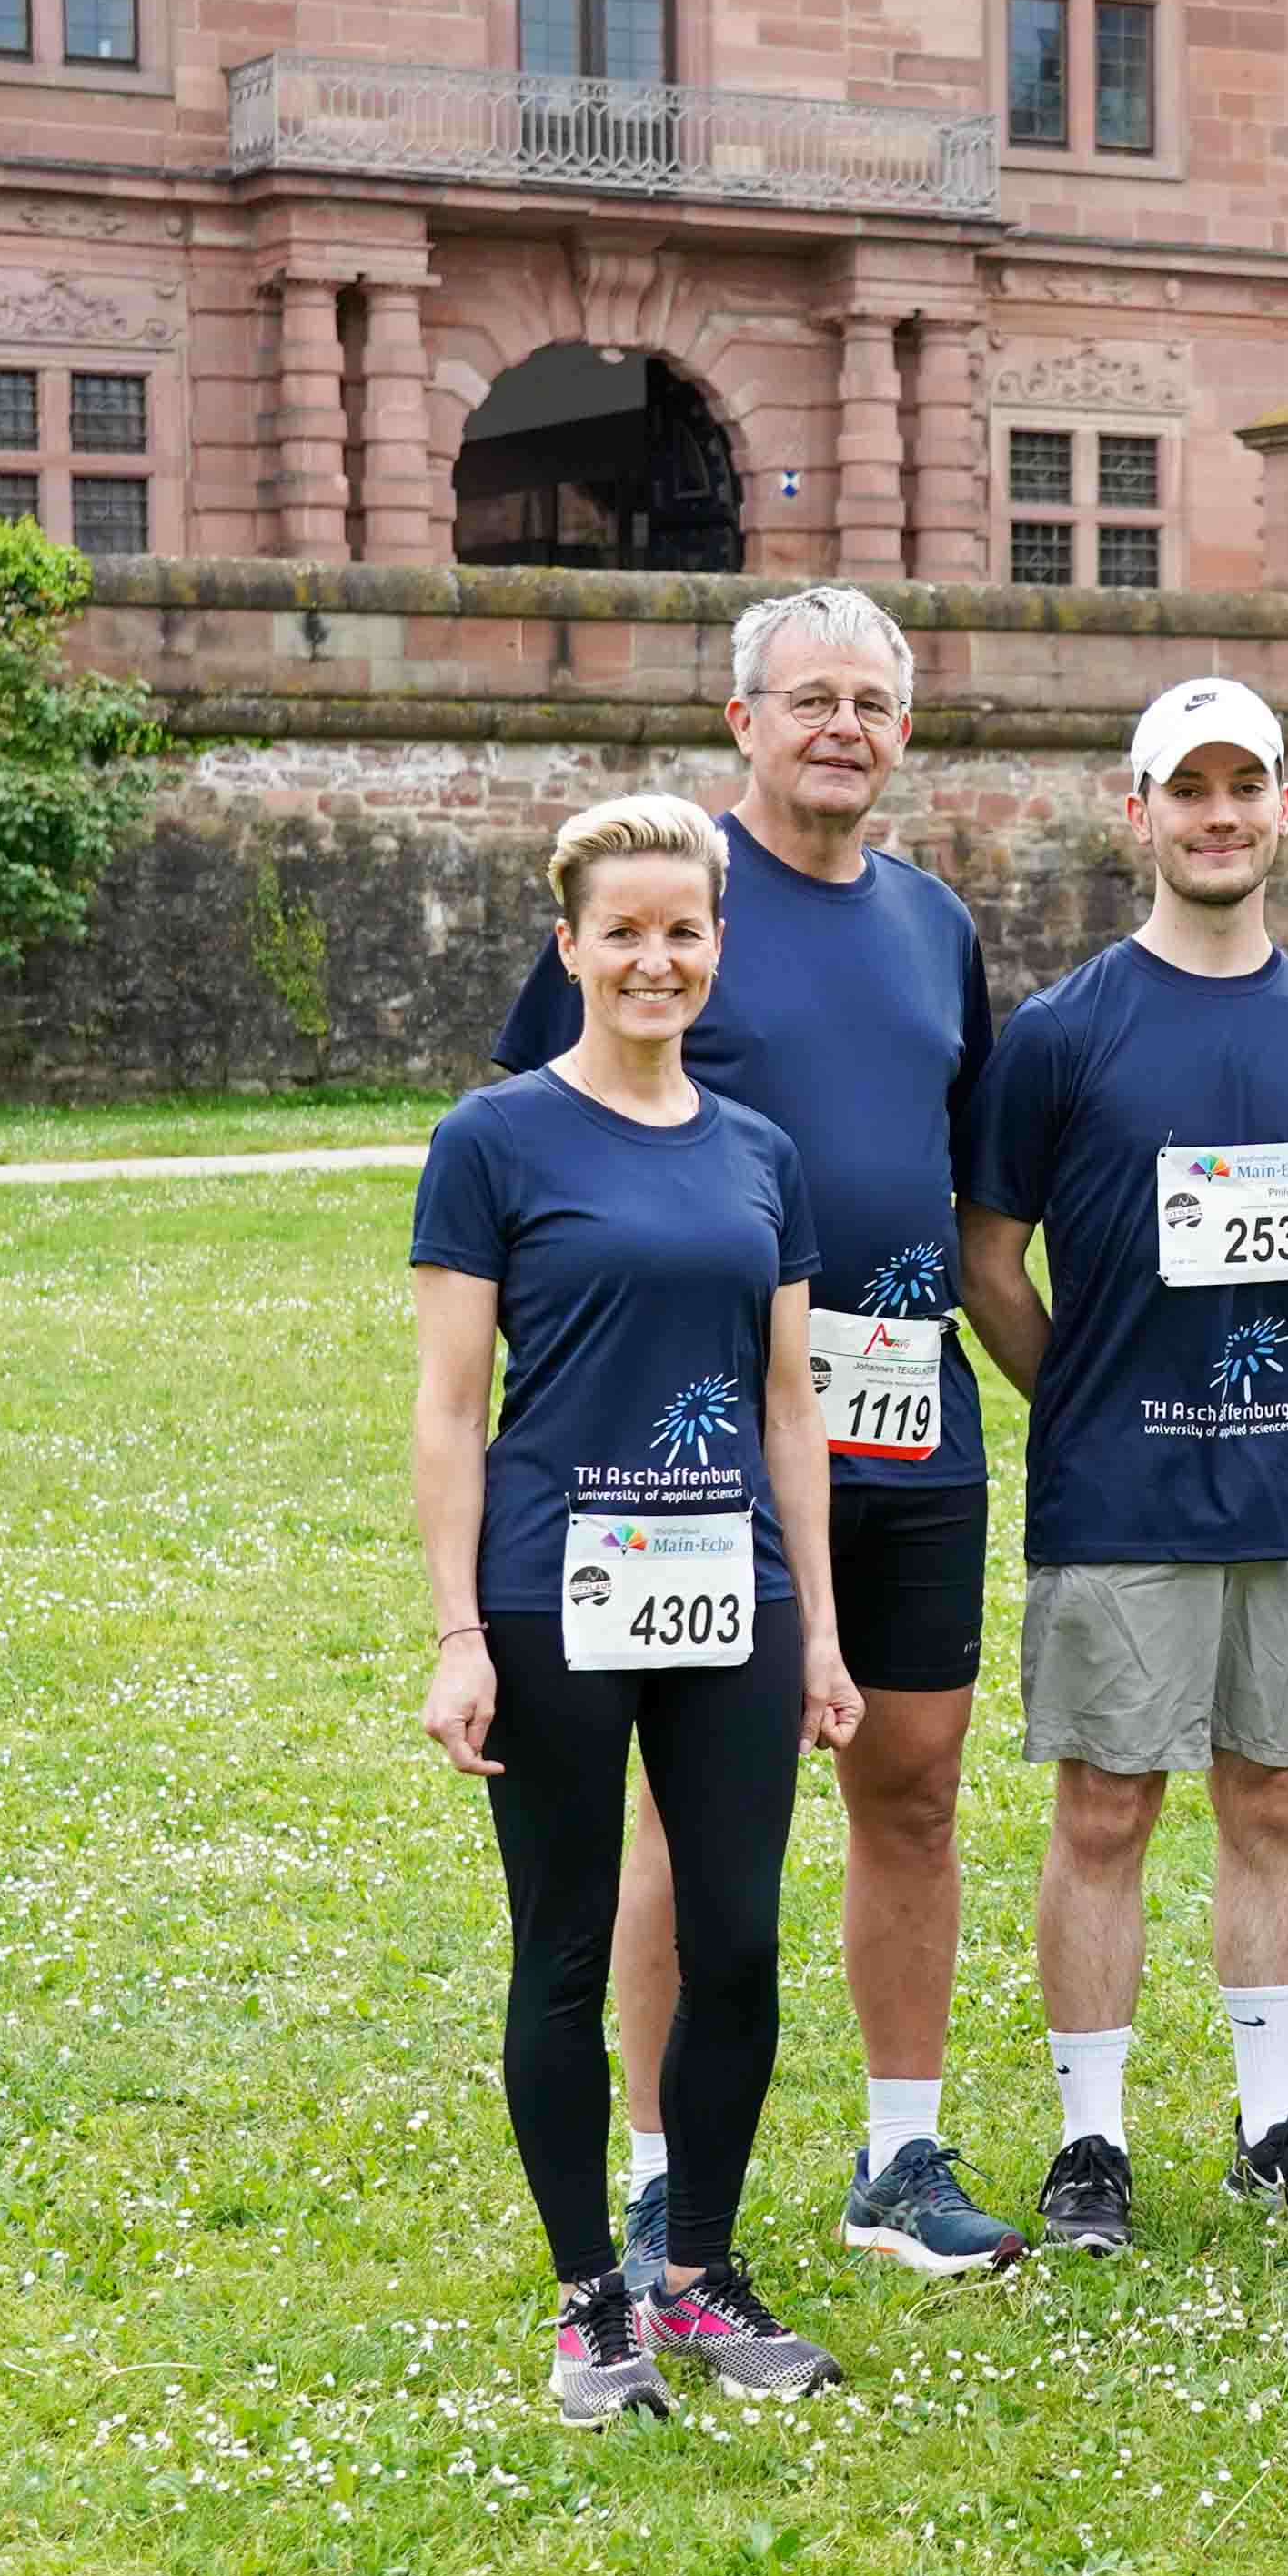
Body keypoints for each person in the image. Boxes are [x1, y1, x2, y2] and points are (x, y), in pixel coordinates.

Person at [494, 591, 1022, 2288]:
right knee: (681, 1811)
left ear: (906, 732)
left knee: (915, 1787)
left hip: (906, 1417)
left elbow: (961, 1170)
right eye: (809, 698)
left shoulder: (938, 924)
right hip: (697, 1451)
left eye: (872, 700)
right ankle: (655, 2175)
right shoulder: (670, 905)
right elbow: (543, 1152)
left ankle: (899, 2152)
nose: (841, 726)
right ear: (741, 720)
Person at [411, 794, 866, 2418]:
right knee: (562, 1949)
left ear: (715, 948)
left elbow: (790, 1406)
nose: (654, 957)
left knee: (735, 1944)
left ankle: (697, 2277)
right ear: (571, 946)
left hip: (726, 1593)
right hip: (554, 1594)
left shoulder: (760, 1154)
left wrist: (815, 1624)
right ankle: (587, 2298)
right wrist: (459, 1633)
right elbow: (451, 1410)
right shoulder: (495, 1140)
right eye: (624, 931)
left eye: (683, 930)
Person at [956, 679, 1288, 2254]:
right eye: (1187, 787)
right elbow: (988, 1259)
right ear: (1132, 810)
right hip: (1118, 1489)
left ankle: (1273, 2124)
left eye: (1247, 785)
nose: (1219, 813)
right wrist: (1074, 1394)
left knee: (1274, 1796)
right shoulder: (1065, 1032)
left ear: (1287, 808)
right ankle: (1090, 2145)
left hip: (1283, 1485)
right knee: (1102, 1807)